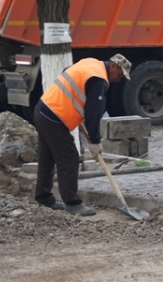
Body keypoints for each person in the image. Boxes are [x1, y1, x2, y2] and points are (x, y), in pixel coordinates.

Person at [34, 54, 131, 216]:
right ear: (113, 66)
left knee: (47, 157)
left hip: (42, 110)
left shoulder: (91, 63)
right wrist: (95, 141)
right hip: (54, 117)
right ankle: (72, 203)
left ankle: (44, 198)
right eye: (120, 75)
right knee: (70, 157)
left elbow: (67, 72)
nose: (118, 79)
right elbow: (93, 112)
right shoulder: (99, 79)